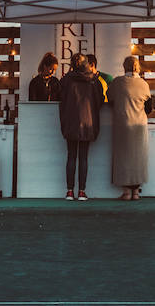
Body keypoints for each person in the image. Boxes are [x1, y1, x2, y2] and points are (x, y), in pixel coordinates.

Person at [58, 53, 102, 200]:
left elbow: (59, 97)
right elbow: (100, 100)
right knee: (83, 157)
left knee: (71, 156)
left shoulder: (66, 80)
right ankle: (82, 191)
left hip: (71, 121)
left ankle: (69, 191)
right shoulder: (94, 80)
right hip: (88, 123)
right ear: (86, 64)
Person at [107, 54, 152, 200]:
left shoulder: (117, 82)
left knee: (123, 157)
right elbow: (149, 108)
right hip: (139, 125)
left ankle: (126, 192)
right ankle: (136, 192)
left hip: (122, 124)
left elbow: (110, 99)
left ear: (124, 67)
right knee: (138, 157)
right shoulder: (144, 84)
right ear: (138, 67)